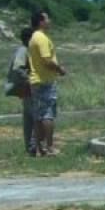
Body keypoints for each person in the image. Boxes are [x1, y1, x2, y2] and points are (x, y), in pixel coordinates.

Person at [26, 9, 68, 156]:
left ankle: (38, 148)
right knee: (48, 115)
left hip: (35, 80)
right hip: (45, 80)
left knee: (38, 116)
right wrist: (59, 69)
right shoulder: (42, 38)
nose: (49, 21)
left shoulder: (33, 38)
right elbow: (46, 59)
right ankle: (49, 147)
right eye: (47, 19)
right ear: (41, 21)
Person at [7, 33, 35, 154]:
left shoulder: (23, 50)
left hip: (27, 89)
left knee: (29, 118)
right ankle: (33, 146)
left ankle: (30, 146)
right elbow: (17, 68)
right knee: (34, 117)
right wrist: (29, 79)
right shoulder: (23, 51)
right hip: (28, 88)